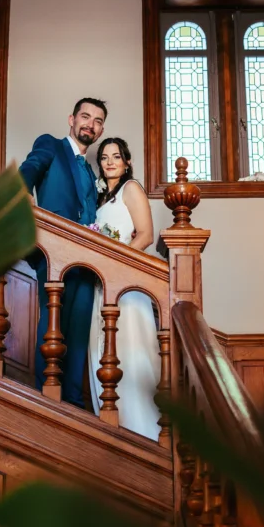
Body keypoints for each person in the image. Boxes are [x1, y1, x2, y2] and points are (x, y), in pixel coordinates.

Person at [19, 98, 107, 407]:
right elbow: (29, 169)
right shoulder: (51, 145)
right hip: (55, 253)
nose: (90, 124)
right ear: (71, 118)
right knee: (53, 323)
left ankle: (72, 400)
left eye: (97, 121)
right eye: (85, 116)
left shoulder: (90, 170)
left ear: (101, 129)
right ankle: (47, 395)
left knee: (80, 330)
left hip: (88, 261)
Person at [88, 137, 161, 440]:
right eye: (104, 157)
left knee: (131, 351)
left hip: (125, 282)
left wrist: (116, 263)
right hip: (101, 283)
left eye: (116, 156)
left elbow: (145, 235)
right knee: (102, 354)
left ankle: (144, 430)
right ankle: (113, 430)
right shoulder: (102, 198)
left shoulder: (132, 189)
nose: (109, 162)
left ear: (127, 162)